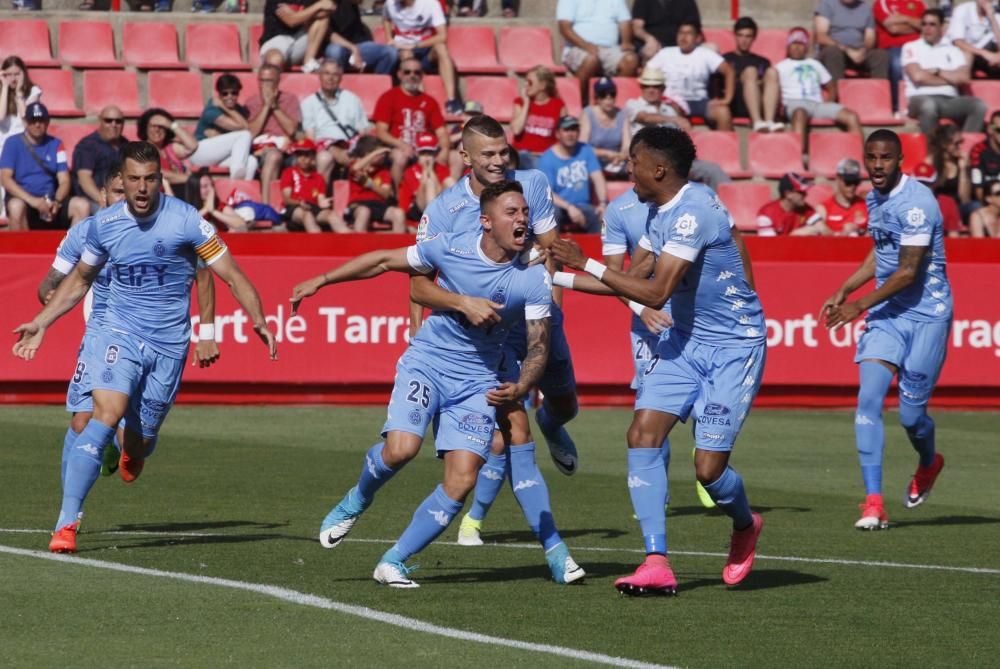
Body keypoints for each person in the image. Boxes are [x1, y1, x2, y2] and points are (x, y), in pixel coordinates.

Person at [293, 180, 584, 588]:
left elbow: (538, 346)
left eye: (524, 213)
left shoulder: (533, 280)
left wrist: (521, 386)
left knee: (462, 479)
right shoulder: (452, 245)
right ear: (486, 221)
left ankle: (392, 561)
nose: (522, 219)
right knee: (401, 449)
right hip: (427, 364)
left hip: (477, 382)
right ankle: (357, 498)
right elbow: (385, 264)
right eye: (512, 213)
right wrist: (321, 280)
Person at [12, 140, 278, 554]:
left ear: (159, 179)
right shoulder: (105, 225)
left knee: (139, 447)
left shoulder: (187, 222)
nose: (140, 188)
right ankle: (67, 523)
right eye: (133, 179)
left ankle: (128, 450)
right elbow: (80, 280)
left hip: (168, 345)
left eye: (149, 179)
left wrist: (257, 318)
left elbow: (229, 274)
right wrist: (42, 323)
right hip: (117, 331)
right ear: (122, 180)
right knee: (103, 413)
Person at [548, 125, 766, 594]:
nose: (629, 170)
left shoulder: (693, 213)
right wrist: (553, 280)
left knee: (708, 470)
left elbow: (654, 292)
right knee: (642, 432)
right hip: (685, 342)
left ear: (659, 169)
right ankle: (655, 560)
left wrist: (580, 262)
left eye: (634, 162)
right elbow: (631, 277)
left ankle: (745, 524)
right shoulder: (657, 211)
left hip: (732, 348)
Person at [411, 115, 581, 550]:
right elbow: (421, 277)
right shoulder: (444, 210)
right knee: (504, 430)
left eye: (504, 151)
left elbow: (549, 254)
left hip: (536, 316)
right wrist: (419, 339)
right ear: (465, 156)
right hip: (489, 334)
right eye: (488, 153)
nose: (499, 160)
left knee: (564, 403)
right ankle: (475, 519)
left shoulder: (533, 184)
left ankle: (554, 425)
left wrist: (549, 320)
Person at [37, 164, 220, 488]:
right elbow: (49, 283)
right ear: (103, 195)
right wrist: (49, 295)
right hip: (99, 335)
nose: (130, 196)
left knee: (133, 441)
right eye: (119, 192)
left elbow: (203, 274)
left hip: (149, 339)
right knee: (81, 422)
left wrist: (206, 332)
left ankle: (126, 447)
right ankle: (69, 515)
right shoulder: (85, 232)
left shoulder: (159, 231)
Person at [821, 128, 950, 531]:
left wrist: (858, 304)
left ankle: (929, 462)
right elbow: (883, 252)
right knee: (868, 401)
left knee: (912, 418)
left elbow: (909, 271)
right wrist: (846, 287)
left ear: (899, 161)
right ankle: (873, 503)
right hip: (887, 316)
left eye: (885, 159)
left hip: (927, 316)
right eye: (871, 158)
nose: (876, 166)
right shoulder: (875, 197)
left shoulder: (917, 205)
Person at [601, 182, 717, 510]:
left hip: (689, 313)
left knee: (705, 399)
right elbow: (613, 275)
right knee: (651, 407)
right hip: (647, 320)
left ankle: (707, 458)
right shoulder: (619, 209)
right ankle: (658, 492)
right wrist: (641, 309)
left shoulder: (696, 200)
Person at [624, 67, 731, 192]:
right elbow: (644, 117)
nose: (651, 90)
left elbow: (681, 134)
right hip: (647, 161)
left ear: (663, 89)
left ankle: (730, 206)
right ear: (641, 87)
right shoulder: (633, 104)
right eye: (647, 86)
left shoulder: (669, 109)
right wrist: (674, 119)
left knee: (713, 170)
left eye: (656, 86)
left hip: (674, 162)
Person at [775, 27, 863, 160]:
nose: (797, 48)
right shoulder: (780, 66)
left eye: (800, 44)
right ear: (788, 46)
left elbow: (830, 85)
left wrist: (830, 101)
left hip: (817, 104)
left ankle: (862, 156)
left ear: (806, 47)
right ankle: (800, 157)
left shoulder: (814, 64)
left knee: (852, 116)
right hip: (794, 103)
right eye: (794, 44)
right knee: (800, 113)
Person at [902, 9, 987, 138]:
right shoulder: (911, 47)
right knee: (928, 106)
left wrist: (937, 71)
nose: (927, 28)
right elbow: (918, 76)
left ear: (942, 27)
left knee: (978, 106)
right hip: (919, 98)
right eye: (924, 24)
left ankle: (966, 149)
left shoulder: (953, 50)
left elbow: (964, 78)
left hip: (949, 100)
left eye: (932, 24)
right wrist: (952, 78)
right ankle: (932, 150)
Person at [372, 57, 450, 187]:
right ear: (399, 74)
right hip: (397, 148)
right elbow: (381, 132)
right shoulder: (388, 97)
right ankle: (397, 200)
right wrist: (402, 145)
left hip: (426, 149)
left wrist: (445, 150)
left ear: (421, 76)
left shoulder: (430, 101)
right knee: (400, 156)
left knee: (455, 157)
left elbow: (441, 132)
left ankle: (452, 201)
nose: (412, 75)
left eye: (417, 72)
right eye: (407, 72)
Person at [646, 21, 735, 130]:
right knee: (671, 113)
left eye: (688, 33)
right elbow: (647, 73)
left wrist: (727, 99)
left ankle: (722, 146)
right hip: (673, 101)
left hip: (700, 101)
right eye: (681, 33)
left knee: (723, 112)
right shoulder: (666, 53)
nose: (683, 37)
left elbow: (729, 71)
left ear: (697, 38)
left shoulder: (705, 54)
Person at [382, 0, 461, 114]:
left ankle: (452, 100)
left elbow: (442, 36)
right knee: (406, 55)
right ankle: (418, 100)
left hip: (425, 46)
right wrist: (389, 38)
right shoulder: (390, 3)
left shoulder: (430, 4)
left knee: (441, 48)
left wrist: (415, 45)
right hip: (403, 48)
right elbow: (386, 17)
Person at [0, 103, 70, 230]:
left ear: (48, 122)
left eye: (41, 120)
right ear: (26, 122)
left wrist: (57, 201)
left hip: (51, 198)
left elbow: (64, 179)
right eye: (33, 120)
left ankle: (72, 247)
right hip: (24, 198)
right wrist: (33, 201)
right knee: (16, 206)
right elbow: (5, 178)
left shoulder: (57, 144)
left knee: (81, 206)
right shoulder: (12, 143)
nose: (37, 124)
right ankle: (20, 248)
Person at [557, 0, 639, 105]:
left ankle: (614, 105)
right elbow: (564, 28)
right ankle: (577, 104)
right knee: (591, 60)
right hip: (578, 47)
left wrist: (626, 42)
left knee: (631, 60)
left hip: (610, 48)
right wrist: (586, 46)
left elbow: (625, 22)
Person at [301, 59, 371, 183]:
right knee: (324, 158)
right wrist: (332, 149)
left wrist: (354, 152)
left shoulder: (352, 99)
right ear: (320, 76)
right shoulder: (308, 103)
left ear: (341, 78)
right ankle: (318, 198)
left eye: (335, 75)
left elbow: (363, 132)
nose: (330, 78)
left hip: (350, 146)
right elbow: (310, 138)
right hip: (323, 147)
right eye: (327, 73)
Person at [537, 115, 608, 233]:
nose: (571, 134)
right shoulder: (547, 158)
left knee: (600, 215)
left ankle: (598, 250)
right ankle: (551, 249)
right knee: (552, 213)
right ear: (558, 134)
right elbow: (547, 192)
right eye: (566, 130)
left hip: (583, 206)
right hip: (559, 206)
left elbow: (598, 178)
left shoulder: (586, 150)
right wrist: (569, 207)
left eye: (574, 129)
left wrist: (603, 203)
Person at [246, 64, 302, 206]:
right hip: (262, 151)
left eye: (269, 81)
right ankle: (266, 205)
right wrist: (266, 107)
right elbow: (251, 132)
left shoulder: (290, 100)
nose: (265, 85)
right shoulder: (251, 102)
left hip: (287, 149)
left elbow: (291, 130)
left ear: (278, 81)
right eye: (262, 80)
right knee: (273, 156)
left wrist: (275, 106)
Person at [189, 74, 259, 180]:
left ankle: (239, 191)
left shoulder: (239, 110)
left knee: (251, 161)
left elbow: (245, 127)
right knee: (244, 135)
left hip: (219, 155)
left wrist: (226, 109)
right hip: (199, 152)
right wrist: (222, 106)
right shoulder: (211, 110)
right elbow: (244, 128)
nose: (229, 97)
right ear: (219, 95)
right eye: (225, 94)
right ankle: (237, 173)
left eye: (234, 93)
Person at [67, 106, 127, 225]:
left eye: (118, 121)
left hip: (120, 200)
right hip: (93, 201)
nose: (113, 124)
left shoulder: (126, 146)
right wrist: (103, 199)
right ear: (100, 121)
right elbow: (84, 179)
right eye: (108, 120)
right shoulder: (87, 146)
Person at [723, 16, 783, 132]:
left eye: (748, 36)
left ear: (754, 38)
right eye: (740, 35)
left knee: (772, 72)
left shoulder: (762, 61)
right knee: (750, 71)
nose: (744, 40)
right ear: (735, 36)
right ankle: (757, 121)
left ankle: (769, 121)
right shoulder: (725, 60)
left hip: (760, 103)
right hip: (736, 104)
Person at [814, 0, 890, 85]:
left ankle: (878, 93)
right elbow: (821, 37)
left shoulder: (865, 8)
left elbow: (870, 38)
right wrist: (847, 50)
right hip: (834, 51)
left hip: (858, 51)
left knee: (880, 55)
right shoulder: (827, 5)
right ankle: (836, 94)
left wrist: (863, 51)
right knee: (833, 53)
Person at [281, 138, 348, 232]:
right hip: (295, 208)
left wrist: (327, 202)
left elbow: (321, 201)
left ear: (313, 156)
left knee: (332, 215)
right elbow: (286, 199)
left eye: (307, 155)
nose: (303, 158)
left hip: (313, 207)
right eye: (300, 155)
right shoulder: (289, 173)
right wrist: (299, 203)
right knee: (307, 215)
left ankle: (352, 241)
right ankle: (319, 244)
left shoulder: (318, 178)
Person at [510, 66, 568, 171]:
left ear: (542, 85)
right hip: (522, 155)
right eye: (525, 82)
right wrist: (526, 104)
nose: (526, 85)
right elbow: (516, 130)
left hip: (546, 157)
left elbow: (564, 135)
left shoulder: (558, 105)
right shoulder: (520, 102)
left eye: (530, 82)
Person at [873, 0, 925, 113]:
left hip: (918, 45)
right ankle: (897, 106)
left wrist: (904, 18)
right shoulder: (882, 3)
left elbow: (926, 25)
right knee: (897, 64)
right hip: (894, 46)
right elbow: (893, 28)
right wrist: (915, 25)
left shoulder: (918, 3)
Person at [346, 135, 407, 232]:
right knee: (364, 212)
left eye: (383, 153)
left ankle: (397, 246)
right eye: (379, 153)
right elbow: (355, 169)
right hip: (358, 205)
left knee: (398, 213)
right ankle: (358, 245)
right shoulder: (355, 164)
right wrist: (376, 152)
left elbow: (386, 194)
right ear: (368, 154)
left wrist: (370, 184)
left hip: (378, 205)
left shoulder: (384, 172)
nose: (383, 155)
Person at [259, 0, 336, 73]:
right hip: (276, 41)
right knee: (275, 59)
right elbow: (291, 21)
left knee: (322, 19)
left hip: (300, 41)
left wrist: (298, 15)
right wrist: (318, 6)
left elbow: (328, 9)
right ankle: (274, 86)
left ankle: (309, 63)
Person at [324, 0, 399, 74]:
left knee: (390, 52)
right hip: (337, 46)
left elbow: (359, 1)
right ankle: (337, 82)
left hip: (360, 45)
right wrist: (353, 48)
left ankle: (376, 83)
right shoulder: (322, 4)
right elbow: (329, 34)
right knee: (335, 51)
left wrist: (355, 49)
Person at [398, 132, 455, 226]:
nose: (427, 157)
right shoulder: (410, 171)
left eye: (430, 153)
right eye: (423, 153)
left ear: (435, 154)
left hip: (435, 204)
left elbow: (439, 192)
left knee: (449, 181)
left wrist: (431, 171)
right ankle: (433, 224)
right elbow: (418, 191)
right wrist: (426, 170)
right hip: (414, 209)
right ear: (418, 154)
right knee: (429, 183)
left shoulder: (441, 168)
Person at [580, 77, 631, 177]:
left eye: (612, 94)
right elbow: (583, 147)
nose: (608, 98)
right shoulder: (588, 114)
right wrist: (606, 154)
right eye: (603, 95)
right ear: (597, 98)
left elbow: (627, 145)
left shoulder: (622, 114)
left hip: (616, 162)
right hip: (593, 160)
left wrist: (621, 156)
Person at [925, 122, 974, 221]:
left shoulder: (962, 163)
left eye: (961, 142)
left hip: (958, 208)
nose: (960, 147)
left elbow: (964, 199)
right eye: (956, 143)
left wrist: (964, 170)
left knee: (975, 206)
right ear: (944, 144)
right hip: (937, 208)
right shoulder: (930, 162)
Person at [813, 158, 869, 235]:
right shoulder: (824, 209)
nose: (852, 186)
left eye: (856, 182)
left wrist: (863, 232)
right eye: (848, 182)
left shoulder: (866, 206)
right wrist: (840, 234)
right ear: (838, 179)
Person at [756, 172, 824, 236]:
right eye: (801, 192)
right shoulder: (766, 213)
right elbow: (769, 245)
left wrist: (818, 229)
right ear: (788, 194)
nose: (805, 194)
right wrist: (796, 234)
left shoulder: (807, 210)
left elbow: (825, 231)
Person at [947, 0, 1000, 78]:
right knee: (968, 55)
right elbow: (957, 41)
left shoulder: (996, 15)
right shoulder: (963, 10)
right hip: (965, 51)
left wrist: (992, 19)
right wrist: (985, 54)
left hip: (988, 54)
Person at [631, 0, 701, 58]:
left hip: (678, 45)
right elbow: (637, 28)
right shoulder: (642, 1)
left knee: (708, 49)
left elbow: (693, 28)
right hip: (651, 45)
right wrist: (649, 39)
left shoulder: (687, 2)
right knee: (648, 52)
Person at [970, 110, 1000, 203]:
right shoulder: (978, 150)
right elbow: (978, 187)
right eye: (999, 130)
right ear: (990, 129)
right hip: (986, 202)